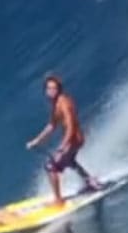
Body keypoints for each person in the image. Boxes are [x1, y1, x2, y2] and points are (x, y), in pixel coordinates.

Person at [27, 73, 105, 206]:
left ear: (59, 89)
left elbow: (71, 126)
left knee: (51, 166)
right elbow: (52, 125)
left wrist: (64, 145)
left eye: (54, 88)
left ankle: (58, 201)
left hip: (74, 139)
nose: (51, 91)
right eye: (48, 88)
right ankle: (90, 182)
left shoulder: (64, 103)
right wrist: (37, 140)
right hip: (73, 140)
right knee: (70, 161)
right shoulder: (56, 103)